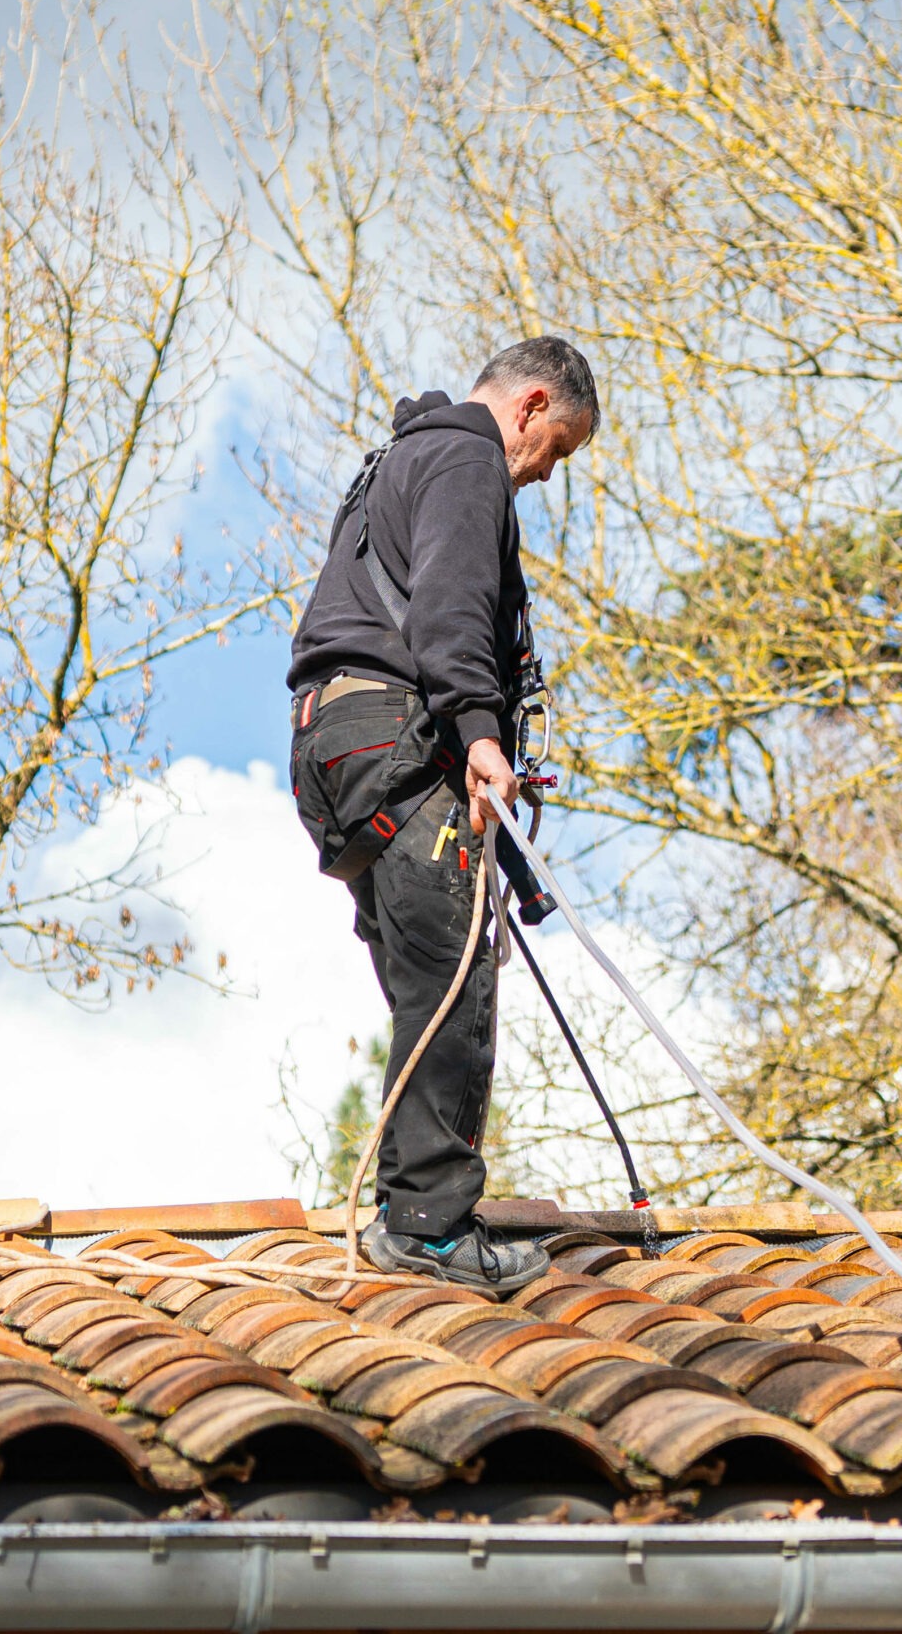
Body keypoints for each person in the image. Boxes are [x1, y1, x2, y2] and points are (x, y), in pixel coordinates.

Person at [287, 336, 600, 1296]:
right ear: (532, 404)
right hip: (396, 738)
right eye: (556, 448)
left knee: (429, 978)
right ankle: (426, 1227)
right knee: (458, 975)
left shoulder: (395, 462)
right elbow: (450, 607)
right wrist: (479, 733)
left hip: (334, 749)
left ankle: (409, 1206)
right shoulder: (467, 458)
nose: (545, 472)